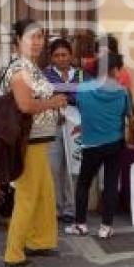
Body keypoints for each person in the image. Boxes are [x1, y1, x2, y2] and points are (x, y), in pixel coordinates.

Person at [0, 19, 69, 267]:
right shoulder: (20, 68)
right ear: (18, 40)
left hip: (39, 141)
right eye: (31, 37)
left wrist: (52, 108)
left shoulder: (33, 67)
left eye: (40, 36)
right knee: (28, 196)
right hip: (26, 143)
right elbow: (25, 106)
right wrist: (54, 103)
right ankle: (13, 253)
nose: (37, 42)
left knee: (44, 194)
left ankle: (38, 241)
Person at [66, 52, 133, 239]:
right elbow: (130, 116)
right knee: (111, 185)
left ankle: (80, 224)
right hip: (115, 144)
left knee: (84, 184)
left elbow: (79, 108)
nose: (121, 73)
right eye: (120, 69)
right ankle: (106, 227)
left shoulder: (83, 89)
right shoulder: (123, 91)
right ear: (114, 70)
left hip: (90, 144)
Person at [42, 38, 84, 223]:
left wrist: (63, 97)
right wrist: (56, 105)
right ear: (51, 58)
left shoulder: (81, 75)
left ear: (71, 55)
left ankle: (70, 209)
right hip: (53, 125)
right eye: (57, 55)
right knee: (53, 167)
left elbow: (84, 95)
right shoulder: (45, 75)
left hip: (76, 126)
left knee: (73, 166)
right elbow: (43, 96)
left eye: (64, 55)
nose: (61, 59)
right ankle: (55, 208)